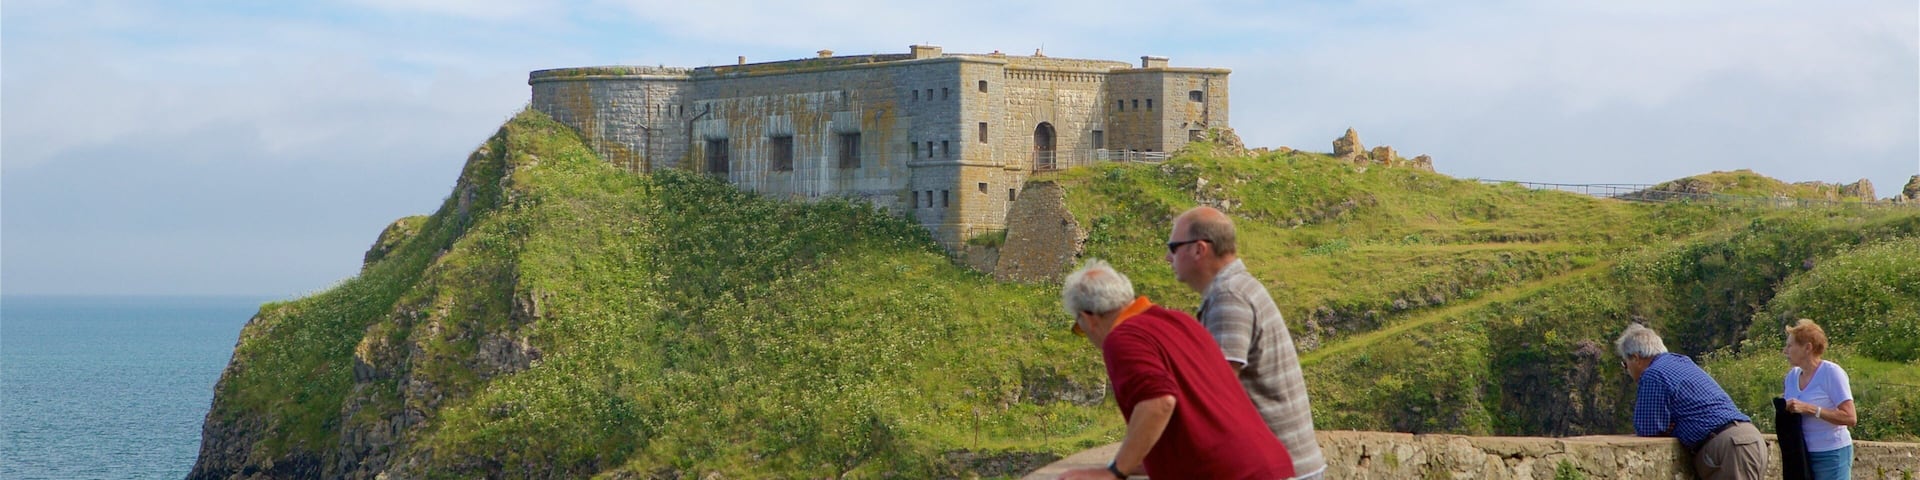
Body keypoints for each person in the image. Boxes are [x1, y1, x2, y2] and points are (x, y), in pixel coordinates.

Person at [1057, 259, 1295, 480]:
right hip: (1266, 463)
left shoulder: (1122, 337)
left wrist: (1115, 472)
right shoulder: (1180, 321)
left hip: (1224, 472)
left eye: (1079, 328)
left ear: (1088, 319)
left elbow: (1159, 402)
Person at [1166, 206, 1326, 479]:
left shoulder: (1229, 296)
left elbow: (1216, 393)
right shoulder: (1236, 287)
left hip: (1279, 470)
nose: (1168, 257)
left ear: (1198, 249)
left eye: (1173, 246)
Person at [1615, 323, 1768, 480]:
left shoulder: (1653, 374)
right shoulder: (1682, 362)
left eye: (1625, 364)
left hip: (1729, 448)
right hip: (1749, 438)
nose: (1627, 370)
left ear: (1636, 358)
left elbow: (1647, 428)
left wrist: (1669, 427)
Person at [1781, 319, 1856, 480]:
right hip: (1802, 453)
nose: (1785, 351)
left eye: (1790, 346)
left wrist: (1811, 409)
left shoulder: (1831, 373)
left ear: (1807, 348)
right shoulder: (1792, 377)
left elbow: (1850, 417)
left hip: (1832, 453)